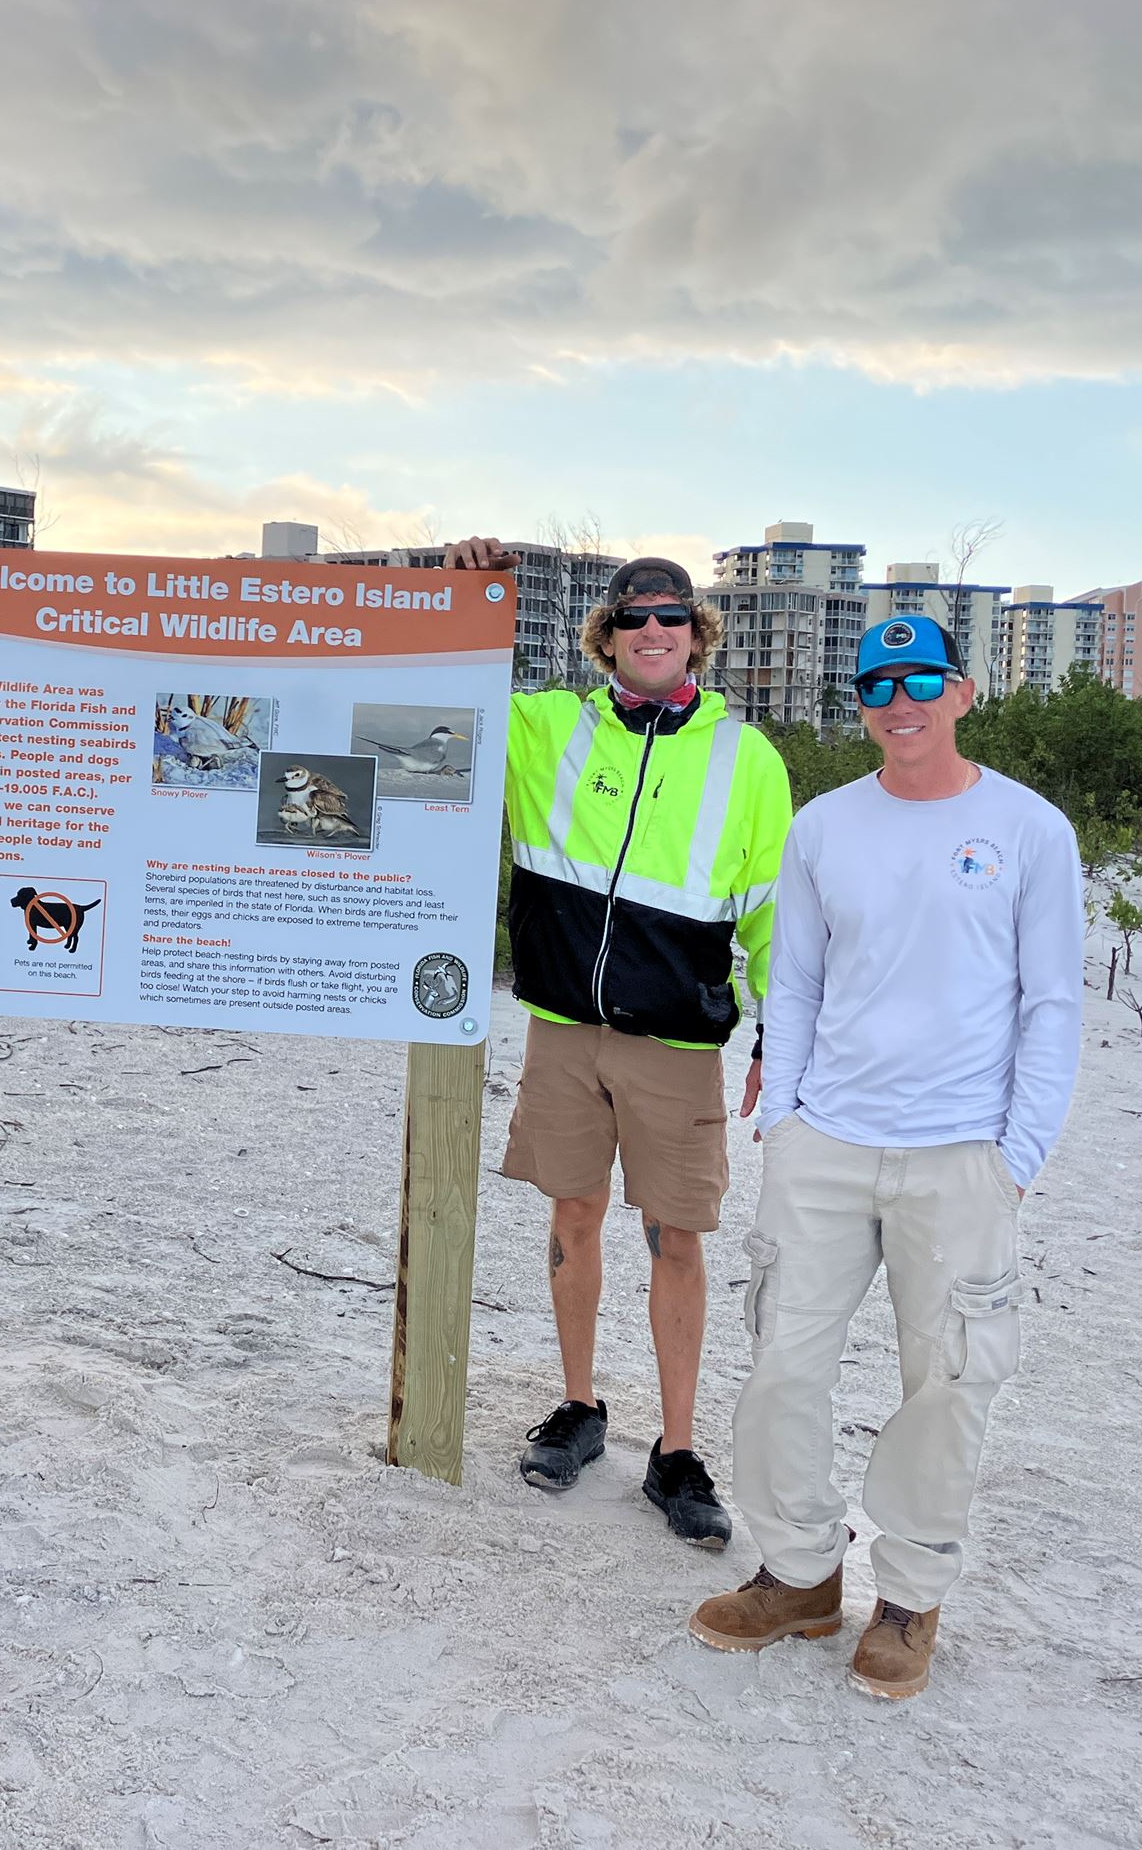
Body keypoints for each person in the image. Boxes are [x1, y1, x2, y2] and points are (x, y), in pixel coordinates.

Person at [690, 615, 1082, 1699]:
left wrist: (1016, 1154)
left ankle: (908, 1598)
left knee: (946, 1380)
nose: (895, 701)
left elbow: (1049, 1003)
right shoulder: (823, 826)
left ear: (960, 692)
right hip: (825, 1143)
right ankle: (799, 1576)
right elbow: (798, 980)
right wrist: (788, 1114)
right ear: (855, 705)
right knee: (780, 1364)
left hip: (961, 1152)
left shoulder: (1026, 828)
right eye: (873, 685)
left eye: (918, 680)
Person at [446, 539, 792, 1545]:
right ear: (605, 635)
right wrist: (476, 595)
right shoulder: (544, 726)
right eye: (633, 618)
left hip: (676, 1045)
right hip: (561, 1032)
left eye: (670, 618)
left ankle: (676, 1450)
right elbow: (452, 686)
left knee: (674, 1237)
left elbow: (775, 910)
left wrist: (777, 1029)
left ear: (696, 636)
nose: (652, 633)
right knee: (572, 1215)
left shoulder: (747, 759)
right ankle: (578, 1406)